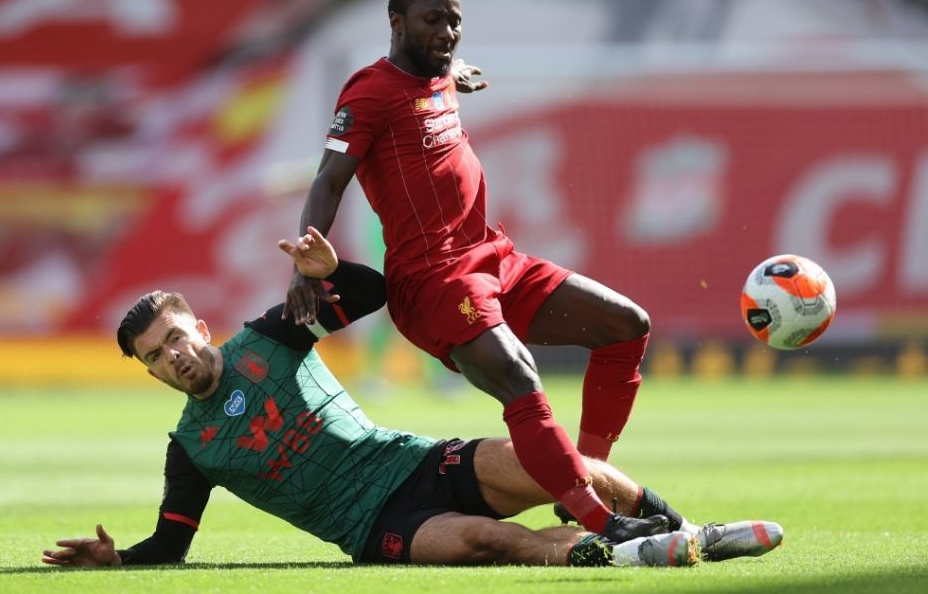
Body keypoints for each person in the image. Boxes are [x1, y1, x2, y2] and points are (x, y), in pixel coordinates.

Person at [42, 229, 782, 569]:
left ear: (199, 327)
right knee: (492, 542)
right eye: (157, 356)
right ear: (151, 374)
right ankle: (626, 555)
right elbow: (171, 546)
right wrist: (117, 563)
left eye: (176, 337)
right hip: (375, 531)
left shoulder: (267, 339)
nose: (174, 356)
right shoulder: (190, 450)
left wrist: (334, 268)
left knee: (559, 467)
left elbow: (370, 294)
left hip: (414, 463)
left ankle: (685, 527)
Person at [284, 0, 655, 536]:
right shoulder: (368, 92)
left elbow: (434, 74)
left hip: (492, 255)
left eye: (455, 20)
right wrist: (305, 257)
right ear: (397, 24)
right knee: (522, 381)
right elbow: (328, 180)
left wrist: (450, 70)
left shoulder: (437, 73)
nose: (448, 31)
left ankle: (585, 477)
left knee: (627, 326)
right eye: (433, 20)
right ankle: (602, 520)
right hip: (435, 281)